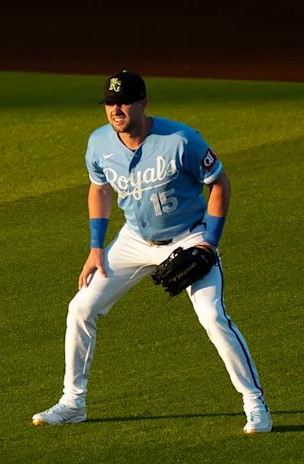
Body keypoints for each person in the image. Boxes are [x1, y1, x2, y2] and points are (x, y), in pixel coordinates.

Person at [31, 70, 272, 434]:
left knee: (212, 317)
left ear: (143, 102)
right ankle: (72, 403)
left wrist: (209, 242)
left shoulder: (181, 140)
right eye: (110, 102)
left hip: (188, 237)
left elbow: (219, 183)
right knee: (80, 308)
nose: (116, 108)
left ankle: (255, 404)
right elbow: (99, 189)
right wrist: (96, 247)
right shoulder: (99, 144)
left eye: (124, 101)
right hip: (133, 240)